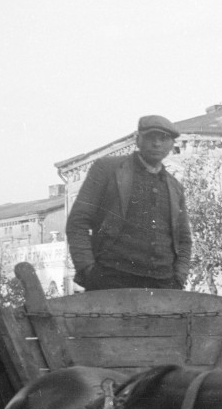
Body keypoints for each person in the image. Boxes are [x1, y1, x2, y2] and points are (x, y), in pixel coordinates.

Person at [66, 115, 192, 291]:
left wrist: (179, 277)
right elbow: (78, 222)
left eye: (163, 138)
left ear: (172, 145)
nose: (157, 144)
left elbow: (184, 239)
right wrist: (88, 270)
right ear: (138, 140)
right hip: (111, 279)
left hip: (163, 284)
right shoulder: (107, 169)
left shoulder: (174, 187)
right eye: (150, 137)